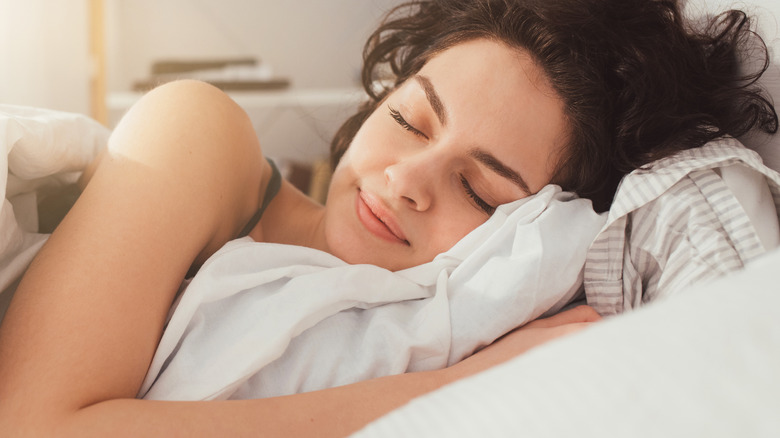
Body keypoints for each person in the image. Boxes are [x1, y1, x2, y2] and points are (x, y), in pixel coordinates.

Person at [0, 0, 777, 436]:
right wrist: (469, 383)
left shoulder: (432, 324)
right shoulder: (199, 130)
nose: (407, 179)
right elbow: (34, 427)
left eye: (481, 191)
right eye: (410, 119)